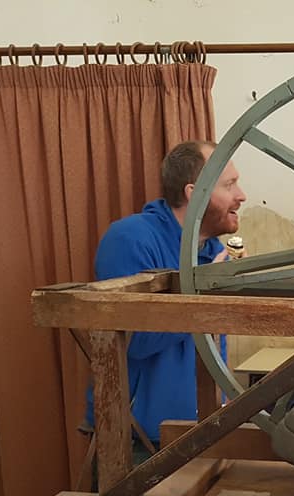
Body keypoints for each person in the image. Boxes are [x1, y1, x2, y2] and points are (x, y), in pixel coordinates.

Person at [84, 140, 246, 455]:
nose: (242, 195)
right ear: (193, 193)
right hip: (138, 441)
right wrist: (203, 293)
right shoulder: (130, 239)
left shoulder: (211, 252)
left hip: (202, 432)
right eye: (230, 185)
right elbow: (133, 339)